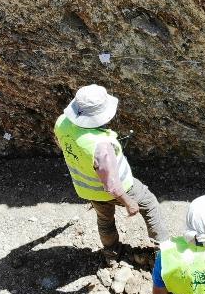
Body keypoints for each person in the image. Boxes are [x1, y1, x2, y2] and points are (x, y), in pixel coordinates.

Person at [53, 84, 168, 261]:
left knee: (105, 219)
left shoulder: (61, 123)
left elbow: (62, 144)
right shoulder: (101, 146)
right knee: (149, 203)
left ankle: (111, 252)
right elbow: (113, 186)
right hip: (120, 188)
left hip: (88, 190)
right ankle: (164, 253)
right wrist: (129, 203)